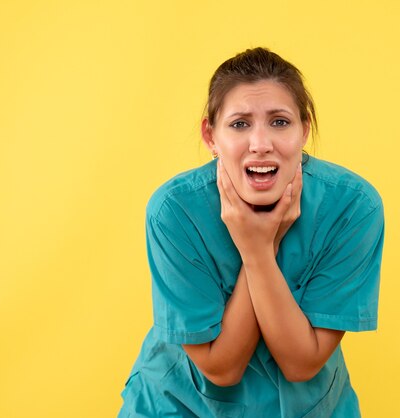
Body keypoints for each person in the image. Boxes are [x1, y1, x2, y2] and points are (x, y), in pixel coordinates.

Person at [118, 47, 385, 417]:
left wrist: (259, 248)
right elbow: (221, 369)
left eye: (279, 122)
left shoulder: (352, 207)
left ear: (304, 130)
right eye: (240, 124)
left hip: (312, 407)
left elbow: (302, 364)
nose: (261, 144)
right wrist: (260, 245)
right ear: (210, 136)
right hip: (179, 405)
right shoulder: (173, 212)